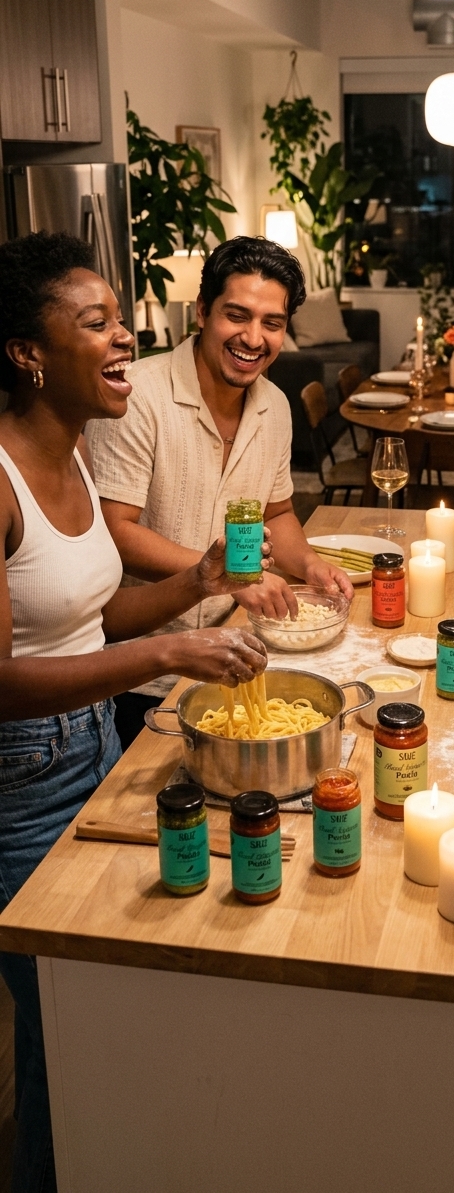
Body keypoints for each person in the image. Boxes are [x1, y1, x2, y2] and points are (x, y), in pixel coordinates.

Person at [0, 232, 267, 1193]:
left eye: (122, 318)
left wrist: (197, 583)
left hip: (94, 746)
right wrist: (165, 653)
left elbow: (91, 617)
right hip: (20, 779)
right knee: (61, 1031)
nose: (125, 337)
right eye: (96, 322)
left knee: (107, 1013)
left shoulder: (72, 454)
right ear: (28, 353)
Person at [87, 237, 353, 749]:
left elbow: (278, 512)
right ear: (203, 311)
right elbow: (114, 532)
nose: (253, 338)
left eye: (272, 323)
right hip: (142, 673)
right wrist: (229, 577)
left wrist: (311, 565)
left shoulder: (274, 405)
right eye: (237, 315)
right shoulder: (138, 396)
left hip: (233, 649)